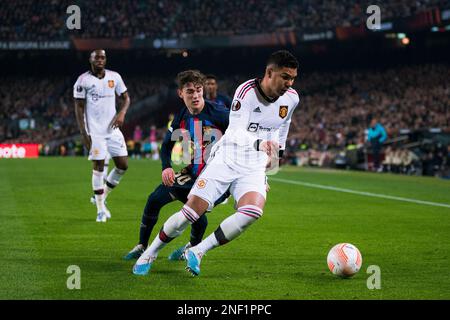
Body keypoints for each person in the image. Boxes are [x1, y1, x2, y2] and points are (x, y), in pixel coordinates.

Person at [133, 50, 299, 276]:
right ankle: (150, 252)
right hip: (227, 158)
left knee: (252, 212)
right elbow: (237, 131)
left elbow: (283, 125)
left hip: (252, 166)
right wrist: (260, 143)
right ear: (269, 72)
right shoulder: (247, 92)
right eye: (285, 77)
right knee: (190, 214)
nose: (289, 83)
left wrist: (276, 155)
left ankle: (198, 251)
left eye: (292, 78)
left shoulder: (292, 98)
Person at [124, 70, 230, 262]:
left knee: (194, 213)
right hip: (192, 171)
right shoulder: (182, 114)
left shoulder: (221, 114)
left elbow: (245, 141)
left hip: (213, 176)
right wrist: (167, 167)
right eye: (190, 91)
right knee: (155, 199)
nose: (196, 95)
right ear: (180, 93)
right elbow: (166, 146)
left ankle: (192, 247)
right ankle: (142, 246)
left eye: (198, 90)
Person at [74, 49, 131, 222]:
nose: (100, 60)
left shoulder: (115, 77)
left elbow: (126, 98)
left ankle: (101, 196)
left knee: (122, 165)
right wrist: (84, 134)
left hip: (113, 130)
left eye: (103, 57)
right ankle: (100, 209)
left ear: (106, 60)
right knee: (98, 166)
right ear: (90, 60)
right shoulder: (83, 80)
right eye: (96, 57)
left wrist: (121, 114)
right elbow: (79, 108)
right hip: (95, 132)